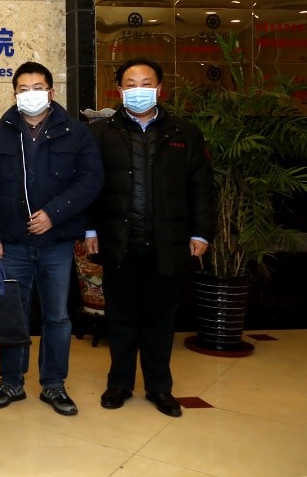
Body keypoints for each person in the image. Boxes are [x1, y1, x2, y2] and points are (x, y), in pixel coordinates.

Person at [85, 57, 215, 417]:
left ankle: (159, 387)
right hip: (119, 241)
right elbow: (89, 187)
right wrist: (90, 229)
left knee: (161, 321)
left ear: (159, 89)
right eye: (131, 84)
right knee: (121, 319)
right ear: (119, 91)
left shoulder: (184, 133)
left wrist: (201, 232)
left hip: (167, 243)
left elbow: (202, 187)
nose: (138, 90)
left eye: (146, 84)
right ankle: (120, 384)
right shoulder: (101, 133)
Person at [0, 61, 104, 416]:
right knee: (13, 315)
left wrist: (54, 214)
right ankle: (11, 381)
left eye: (38, 88)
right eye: (23, 89)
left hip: (57, 242)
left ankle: (54, 383)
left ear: (51, 91)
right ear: (14, 94)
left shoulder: (76, 133)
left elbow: (91, 180)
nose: (30, 95)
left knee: (57, 317)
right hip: (12, 244)